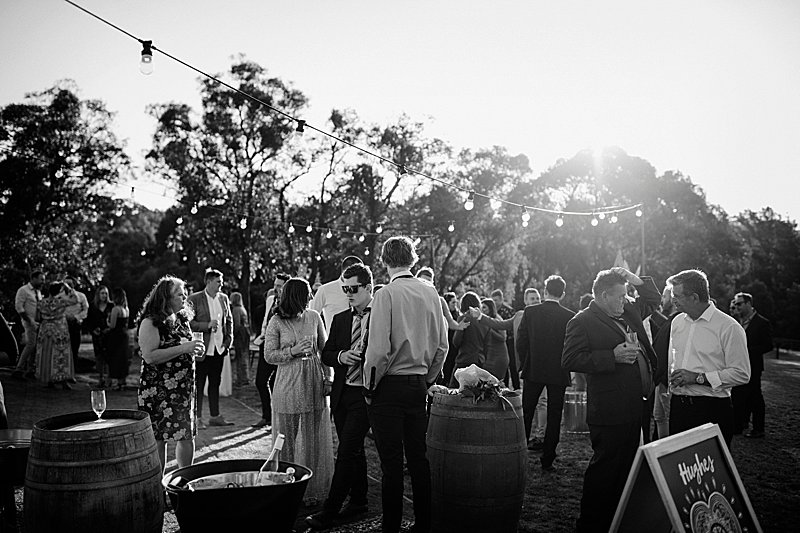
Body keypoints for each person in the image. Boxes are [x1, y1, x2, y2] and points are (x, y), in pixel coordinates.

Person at [562, 267, 660, 533]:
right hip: (610, 408)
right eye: (620, 297)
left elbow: (653, 299)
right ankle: (591, 524)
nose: (625, 301)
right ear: (604, 296)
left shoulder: (627, 311)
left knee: (628, 467)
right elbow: (569, 359)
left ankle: (617, 520)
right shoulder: (581, 321)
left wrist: (634, 279)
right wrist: (611, 356)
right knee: (605, 470)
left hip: (637, 404)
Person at [363, 235, 448, 533]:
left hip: (388, 385)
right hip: (417, 385)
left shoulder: (385, 294)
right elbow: (442, 346)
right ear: (412, 259)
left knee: (391, 464)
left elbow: (377, 351)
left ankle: (391, 527)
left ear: (385, 261)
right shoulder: (431, 294)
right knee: (418, 459)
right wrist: (427, 380)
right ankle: (424, 523)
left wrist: (369, 386)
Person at [306, 263, 374, 529]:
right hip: (343, 393)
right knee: (354, 450)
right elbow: (326, 353)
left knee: (345, 452)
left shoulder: (382, 315)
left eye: (353, 289)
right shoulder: (341, 319)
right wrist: (341, 356)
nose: (348, 293)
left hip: (367, 394)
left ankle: (329, 512)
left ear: (368, 288)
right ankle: (359, 501)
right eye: (345, 288)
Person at [264, 277, 334, 505]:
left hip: (313, 382)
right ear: (296, 296)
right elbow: (269, 355)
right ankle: (286, 489)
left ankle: (311, 490)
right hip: (287, 385)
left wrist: (328, 378)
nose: (311, 298)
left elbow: (326, 351)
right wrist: (292, 351)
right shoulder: (276, 321)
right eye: (307, 295)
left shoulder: (314, 317)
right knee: (287, 442)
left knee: (312, 442)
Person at [666, 270, 750, 446]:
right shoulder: (677, 322)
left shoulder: (729, 327)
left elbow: (742, 373)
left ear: (694, 297)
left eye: (677, 296)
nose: (672, 300)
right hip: (678, 407)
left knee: (710, 470)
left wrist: (698, 378)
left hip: (711, 409)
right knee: (680, 468)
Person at [136, 275, 205, 475]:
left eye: (185, 294)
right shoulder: (151, 322)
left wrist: (194, 351)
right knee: (159, 438)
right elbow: (150, 356)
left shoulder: (183, 318)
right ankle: (158, 485)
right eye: (179, 295)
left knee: (186, 436)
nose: (184, 298)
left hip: (183, 389)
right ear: (165, 297)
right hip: (158, 390)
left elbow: (186, 347)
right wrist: (184, 349)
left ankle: (184, 480)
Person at [514, 275, 575, 471]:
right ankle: (548, 458)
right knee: (555, 415)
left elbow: (520, 341)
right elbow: (571, 346)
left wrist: (525, 362)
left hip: (534, 368)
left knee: (527, 411)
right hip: (558, 370)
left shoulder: (530, 312)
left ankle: (518, 454)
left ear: (545, 291)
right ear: (563, 294)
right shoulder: (569, 316)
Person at [188, 269, 234, 428]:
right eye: (218, 282)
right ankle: (197, 418)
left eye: (221, 282)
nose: (221, 284)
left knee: (215, 383)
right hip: (202, 349)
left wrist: (229, 340)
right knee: (199, 385)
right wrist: (206, 325)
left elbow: (229, 320)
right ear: (208, 282)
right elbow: (189, 323)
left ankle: (215, 416)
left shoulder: (224, 298)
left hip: (219, 349)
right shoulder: (194, 299)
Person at [730, 292, 772, 438]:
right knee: (737, 395)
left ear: (749, 304)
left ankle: (759, 429)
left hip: (753, 366)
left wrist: (747, 350)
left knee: (755, 397)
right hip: (737, 365)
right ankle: (738, 426)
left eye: (739, 304)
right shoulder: (736, 322)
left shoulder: (762, 323)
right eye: (735, 304)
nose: (737, 306)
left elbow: (768, 346)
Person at [252, 273, 289, 429]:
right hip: (265, 344)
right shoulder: (270, 299)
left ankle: (279, 419)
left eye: (280, 285)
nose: (276, 288)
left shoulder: (289, 304)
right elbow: (265, 321)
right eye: (275, 284)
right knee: (260, 381)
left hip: (281, 348)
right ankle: (267, 416)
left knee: (279, 385)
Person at [35, 281, 80, 389]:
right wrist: (69, 288)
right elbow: (76, 300)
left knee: (46, 354)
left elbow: (37, 318)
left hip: (45, 331)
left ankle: (48, 380)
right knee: (61, 355)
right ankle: (63, 380)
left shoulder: (41, 302)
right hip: (59, 331)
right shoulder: (61, 302)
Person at [651, 286, 678, 440]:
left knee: (669, 418)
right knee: (659, 417)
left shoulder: (678, 320)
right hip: (661, 379)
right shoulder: (671, 318)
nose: (663, 300)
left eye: (665, 296)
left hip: (669, 380)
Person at [310, 255, 363, 334]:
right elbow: (311, 319)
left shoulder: (363, 290)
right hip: (333, 343)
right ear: (345, 271)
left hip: (359, 342)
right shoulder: (325, 290)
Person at [449, 292, 488, 387]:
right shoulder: (483, 320)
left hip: (464, 360)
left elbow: (456, 342)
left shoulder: (464, 318)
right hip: (480, 360)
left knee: (453, 390)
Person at [12, 270, 45, 379]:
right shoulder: (23, 290)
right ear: (33, 279)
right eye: (41, 279)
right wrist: (30, 321)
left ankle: (30, 369)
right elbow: (19, 308)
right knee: (31, 344)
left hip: (38, 322)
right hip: (28, 321)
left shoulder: (38, 292)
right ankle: (19, 368)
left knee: (35, 346)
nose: (43, 282)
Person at [491, 289, 520, 389]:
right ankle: (505, 386)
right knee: (504, 367)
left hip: (510, 340)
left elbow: (512, 327)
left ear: (501, 300)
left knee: (512, 365)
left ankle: (516, 387)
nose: (494, 302)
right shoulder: (493, 312)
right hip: (499, 342)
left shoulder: (508, 310)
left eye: (496, 300)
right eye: (493, 300)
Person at [86, 285, 112, 386]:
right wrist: (93, 330)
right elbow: (88, 321)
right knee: (99, 357)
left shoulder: (111, 306)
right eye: (102, 293)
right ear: (98, 294)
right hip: (97, 335)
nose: (104, 295)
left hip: (108, 335)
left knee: (108, 357)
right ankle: (101, 378)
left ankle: (109, 378)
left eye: (106, 293)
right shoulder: (93, 306)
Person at [106, 288, 131, 390]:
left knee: (115, 358)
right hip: (124, 335)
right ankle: (122, 382)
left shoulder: (116, 309)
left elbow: (112, 325)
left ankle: (116, 383)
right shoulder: (126, 309)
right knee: (123, 359)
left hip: (116, 336)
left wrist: (106, 321)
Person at [63, 277, 89, 372]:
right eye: (66, 284)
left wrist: (77, 317)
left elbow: (85, 310)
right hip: (62, 325)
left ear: (74, 284)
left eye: (70, 284)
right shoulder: (60, 296)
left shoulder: (81, 296)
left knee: (74, 349)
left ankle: (72, 372)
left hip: (75, 324)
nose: (68, 286)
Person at [479, 298, 509, 381]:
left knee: (496, 382)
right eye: (481, 307)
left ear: (490, 308)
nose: (482, 310)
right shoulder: (483, 320)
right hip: (489, 356)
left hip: (499, 356)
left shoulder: (497, 319)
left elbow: (503, 337)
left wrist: (490, 329)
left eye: (484, 307)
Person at [230, 291, 251, 388]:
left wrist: (232, 335)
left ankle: (241, 379)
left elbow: (236, 324)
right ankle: (245, 377)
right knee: (244, 355)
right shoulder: (242, 309)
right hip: (246, 333)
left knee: (239, 356)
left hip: (240, 335)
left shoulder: (236, 310)